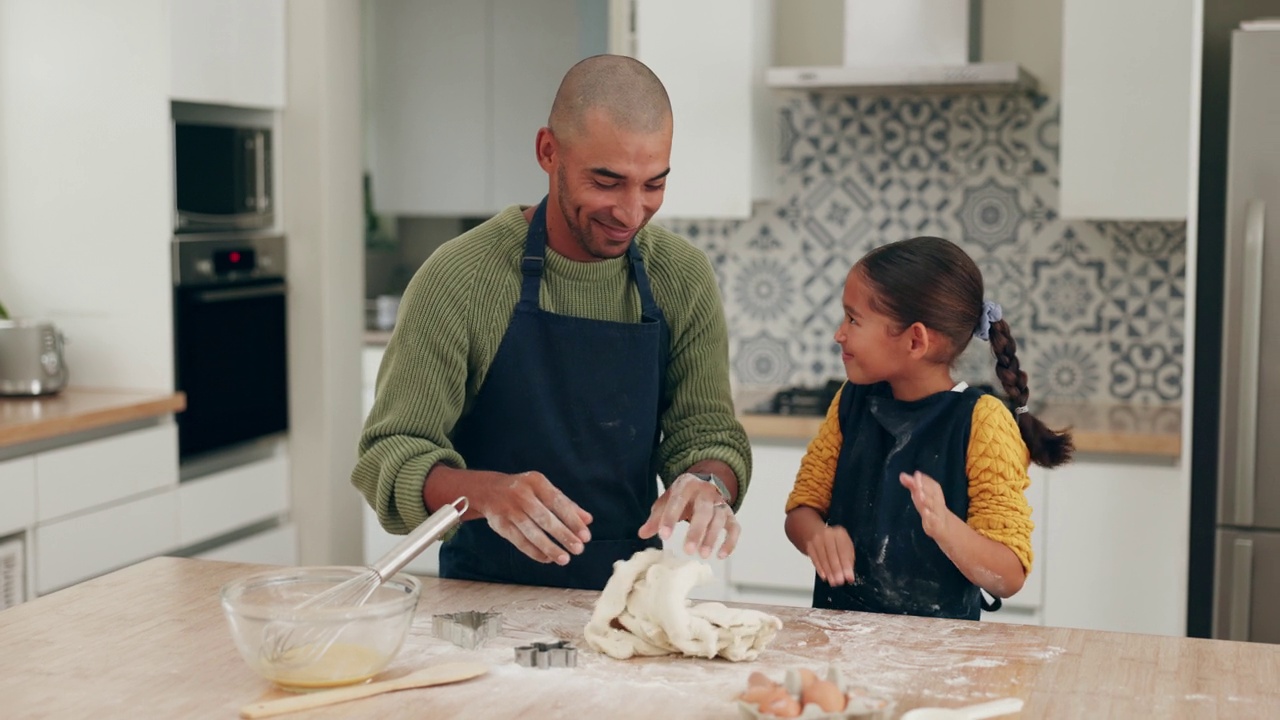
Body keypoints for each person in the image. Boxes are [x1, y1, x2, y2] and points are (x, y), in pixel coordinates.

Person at [352, 55, 752, 592]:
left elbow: (707, 432)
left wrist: (707, 483)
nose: (632, 213)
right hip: (483, 599)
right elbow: (390, 453)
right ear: (548, 152)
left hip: (629, 595)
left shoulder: (680, 275)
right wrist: (489, 494)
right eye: (607, 182)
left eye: (653, 184)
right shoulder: (460, 277)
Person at [784, 236, 1073, 619]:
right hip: (839, 644)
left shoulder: (983, 423)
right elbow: (801, 512)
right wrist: (817, 536)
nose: (840, 333)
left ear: (915, 340)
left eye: (853, 319)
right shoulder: (851, 401)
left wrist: (946, 528)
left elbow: (1008, 576)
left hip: (939, 658)